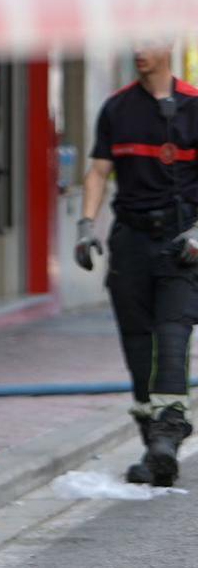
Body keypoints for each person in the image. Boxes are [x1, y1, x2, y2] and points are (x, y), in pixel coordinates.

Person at [74, 43, 198, 486]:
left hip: (181, 245)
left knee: (171, 335)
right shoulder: (118, 108)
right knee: (136, 344)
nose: (138, 50)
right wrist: (86, 225)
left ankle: (167, 435)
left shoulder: (192, 107)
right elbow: (99, 171)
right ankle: (153, 445)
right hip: (130, 241)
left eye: (148, 42)